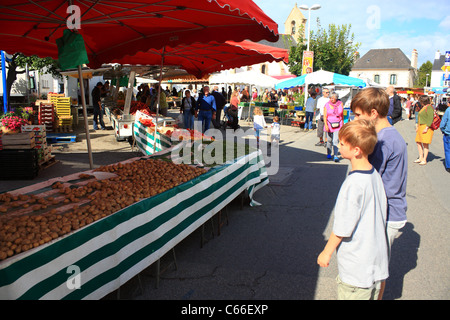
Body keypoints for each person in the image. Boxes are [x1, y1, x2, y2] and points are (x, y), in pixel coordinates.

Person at [317, 120, 389, 300]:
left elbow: (342, 227)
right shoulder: (374, 175)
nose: (338, 146)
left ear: (356, 150)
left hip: (357, 268)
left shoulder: (353, 184)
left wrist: (326, 252)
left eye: (342, 143)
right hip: (376, 262)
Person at [350, 87, 408, 300]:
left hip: (384, 213)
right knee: (377, 269)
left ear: (373, 113)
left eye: (358, 114)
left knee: (372, 271)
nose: (355, 119)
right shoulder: (390, 135)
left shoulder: (383, 141)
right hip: (390, 211)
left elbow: (368, 180)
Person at [414, 95, 435, 166]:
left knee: (425, 143)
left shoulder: (429, 107)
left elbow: (430, 118)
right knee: (418, 142)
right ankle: (421, 157)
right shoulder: (424, 107)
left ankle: (424, 159)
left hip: (426, 127)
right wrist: (417, 126)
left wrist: (426, 127)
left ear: (423, 101)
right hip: (421, 126)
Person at [323, 93, 344, 162]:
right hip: (329, 124)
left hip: (338, 124)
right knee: (329, 140)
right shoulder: (327, 105)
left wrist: (343, 124)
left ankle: (335, 155)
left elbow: (342, 115)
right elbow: (325, 116)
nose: (331, 99)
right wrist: (326, 125)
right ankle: (329, 153)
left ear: (336, 98)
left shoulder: (340, 104)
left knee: (335, 140)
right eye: (330, 98)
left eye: (333, 98)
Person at [440, 101, 450, 173]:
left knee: (448, 150)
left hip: (448, 133)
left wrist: (442, 129)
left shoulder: (448, 110)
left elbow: (443, 122)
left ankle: (449, 166)